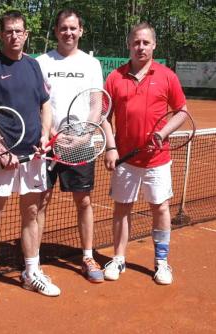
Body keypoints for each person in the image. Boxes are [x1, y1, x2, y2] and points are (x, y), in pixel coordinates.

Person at [0, 10, 60, 308]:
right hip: (2, 157)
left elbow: (45, 105)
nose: (14, 36)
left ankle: (31, 272)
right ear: (1, 34)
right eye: (8, 31)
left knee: (31, 214)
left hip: (33, 156)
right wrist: (0, 148)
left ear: (26, 34)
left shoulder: (34, 66)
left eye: (18, 31)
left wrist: (45, 136)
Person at [103, 22, 188, 285]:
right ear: (129, 45)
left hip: (157, 159)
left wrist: (162, 134)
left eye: (145, 42)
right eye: (136, 42)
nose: (140, 47)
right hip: (125, 160)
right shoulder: (115, 77)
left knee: (160, 208)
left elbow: (182, 111)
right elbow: (105, 117)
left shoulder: (167, 76)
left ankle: (162, 262)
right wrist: (111, 147)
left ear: (154, 45)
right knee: (122, 209)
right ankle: (118, 258)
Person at [36, 9, 116, 283]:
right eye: (63, 28)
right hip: (48, 144)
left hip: (80, 145)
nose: (68, 32)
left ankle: (87, 255)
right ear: (56, 31)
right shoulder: (41, 63)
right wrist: (52, 133)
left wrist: (84, 135)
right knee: (40, 202)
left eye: (73, 28)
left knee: (83, 201)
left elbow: (97, 104)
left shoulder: (92, 65)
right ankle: (33, 263)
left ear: (81, 31)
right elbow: (37, 104)